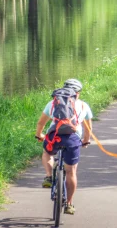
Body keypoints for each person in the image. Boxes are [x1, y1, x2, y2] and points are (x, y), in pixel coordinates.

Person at [35, 78, 93, 215]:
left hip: (54, 137)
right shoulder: (84, 106)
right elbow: (88, 128)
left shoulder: (53, 103)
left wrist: (39, 135)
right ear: (78, 93)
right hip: (72, 139)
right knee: (71, 172)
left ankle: (49, 176)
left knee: (47, 153)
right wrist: (85, 140)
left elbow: (40, 123)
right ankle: (69, 203)